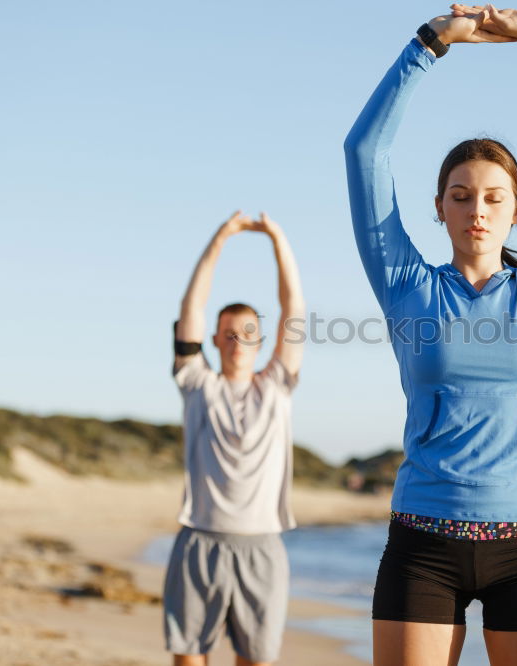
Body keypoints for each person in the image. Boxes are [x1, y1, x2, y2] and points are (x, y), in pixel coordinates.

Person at [344, 4, 517, 665]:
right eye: (461, 195)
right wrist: (427, 46)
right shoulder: (407, 283)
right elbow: (364, 152)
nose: (477, 209)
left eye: (494, 196)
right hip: (422, 548)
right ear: (438, 207)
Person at [164, 210, 305, 666]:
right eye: (228, 333)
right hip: (199, 541)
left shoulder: (278, 386)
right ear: (216, 340)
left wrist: (277, 240)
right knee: (189, 657)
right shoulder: (198, 384)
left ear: (261, 340)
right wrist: (221, 237)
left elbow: (294, 310)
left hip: (262, 545)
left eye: (248, 333)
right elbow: (191, 306)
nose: (238, 341)